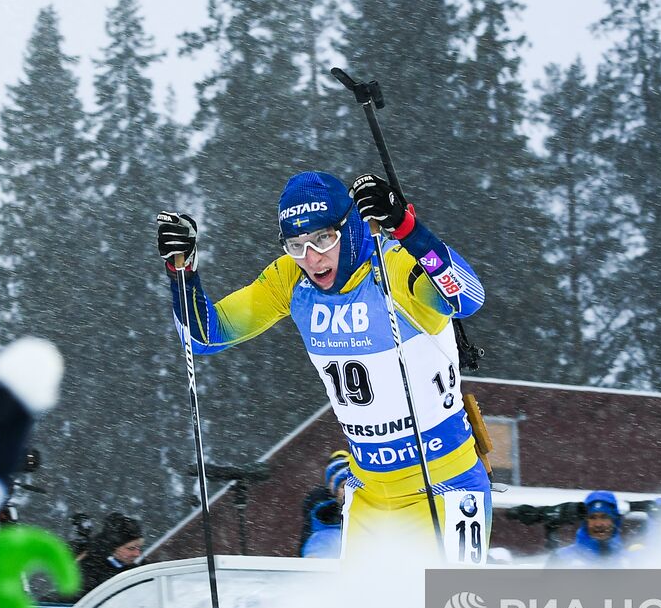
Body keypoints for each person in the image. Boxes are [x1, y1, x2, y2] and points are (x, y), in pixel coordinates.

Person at [158, 170, 490, 560]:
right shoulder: (290, 278)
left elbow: (468, 297)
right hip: (369, 494)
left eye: (323, 238)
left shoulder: (394, 266)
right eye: (296, 245)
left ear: (350, 227)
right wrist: (182, 272)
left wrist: (406, 227)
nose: (312, 258)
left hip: (444, 484)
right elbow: (204, 337)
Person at [548, 490, 628, 566]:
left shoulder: (629, 561)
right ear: (585, 522)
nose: (598, 524)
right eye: (593, 517)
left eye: (604, 517)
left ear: (615, 521)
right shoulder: (562, 558)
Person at [76, 513, 144, 597]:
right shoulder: (88, 574)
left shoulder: (135, 570)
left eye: (139, 548)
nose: (137, 554)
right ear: (112, 548)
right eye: (131, 548)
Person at [298, 450, 351, 555]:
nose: (347, 490)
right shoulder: (322, 513)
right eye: (343, 486)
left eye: (351, 485)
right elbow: (314, 544)